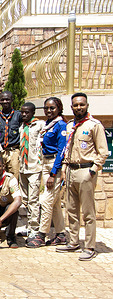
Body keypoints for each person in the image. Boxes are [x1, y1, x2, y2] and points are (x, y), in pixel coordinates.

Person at [58, 93, 108, 261]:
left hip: (86, 171)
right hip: (71, 170)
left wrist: (93, 169)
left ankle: (90, 246)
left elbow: (103, 151)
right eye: (76, 105)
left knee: (88, 212)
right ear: (71, 107)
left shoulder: (94, 125)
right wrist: (64, 168)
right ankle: (72, 242)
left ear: (87, 105)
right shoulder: (71, 125)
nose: (78, 107)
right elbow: (67, 148)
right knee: (71, 209)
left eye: (81, 104)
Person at [26, 97, 68, 248]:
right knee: (55, 203)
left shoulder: (61, 125)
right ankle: (61, 234)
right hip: (45, 162)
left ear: (59, 108)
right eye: (46, 108)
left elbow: (61, 151)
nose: (49, 111)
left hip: (53, 166)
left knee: (46, 201)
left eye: (52, 108)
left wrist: (53, 173)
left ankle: (41, 235)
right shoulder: (49, 125)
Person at [18, 102, 45, 242]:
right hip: (23, 167)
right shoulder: (22, 127)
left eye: (27, 112)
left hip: (34, 167)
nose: (24, 114)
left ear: (33, 112)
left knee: (34, 199)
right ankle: (28, 226)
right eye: (22, 112)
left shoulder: (40, 125)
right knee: (26, 199)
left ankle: (35, 229)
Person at [0, 91, 22, 179]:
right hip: (0, 151)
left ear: (12, 100)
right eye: (2, 100)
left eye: (7, 99)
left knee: (14, 177)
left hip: (13, 151)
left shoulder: (18, 116)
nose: (5, 102)